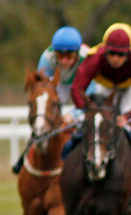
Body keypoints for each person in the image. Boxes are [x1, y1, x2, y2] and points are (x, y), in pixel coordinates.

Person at [70, 22, 131, 173]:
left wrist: (128, 115)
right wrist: (85, 109)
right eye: (111, 53)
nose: (115, 58)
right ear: (105, 50)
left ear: (129, 52)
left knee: (127, 121)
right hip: (105, 85)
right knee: (95, 119)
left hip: (129, 86)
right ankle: (70, 150)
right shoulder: (95, 56)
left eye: (121, 54)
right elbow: (76, 88)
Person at [11, 26, 94, 175]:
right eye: (60, 56)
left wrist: (74, 114)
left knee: (87, 118)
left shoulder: (88, 57)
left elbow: (91, 96)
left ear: (76, 53)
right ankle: (27, 153)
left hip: (82, 86)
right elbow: (44, 89)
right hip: (59, 85)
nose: (63, 60)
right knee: (47, 115)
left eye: (68, 56)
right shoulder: (47, 58)